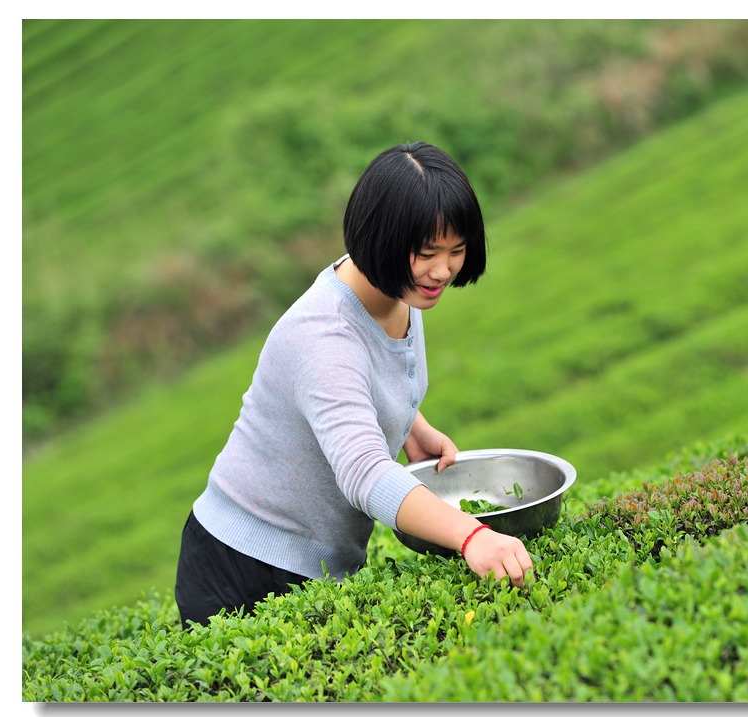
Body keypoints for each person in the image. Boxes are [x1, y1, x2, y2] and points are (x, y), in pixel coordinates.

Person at [174, 141, 534, 629]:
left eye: (456, 250)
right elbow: (364, 471)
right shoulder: (324, 334)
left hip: (309, 559)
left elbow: (359, 382)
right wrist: (473, 537)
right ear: (382, 239)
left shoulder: (399, 291)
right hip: (245, 565)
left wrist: (410, 424)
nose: (442, 271)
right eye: (427, 253)